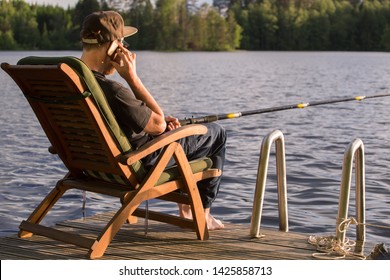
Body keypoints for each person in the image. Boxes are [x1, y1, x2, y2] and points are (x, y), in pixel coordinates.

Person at [80, 11, 226, 230]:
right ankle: (201, 214)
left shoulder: (73, 81)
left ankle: (186, 209)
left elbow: (144, 123)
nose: (126, 49)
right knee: (215, 133)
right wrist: (132, 78)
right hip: (140, 161)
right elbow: (157, 125)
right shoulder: (112, 90)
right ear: (113, 47)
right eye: (122, 42)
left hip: (88, 163)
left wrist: (155, 123)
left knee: (177, 134)